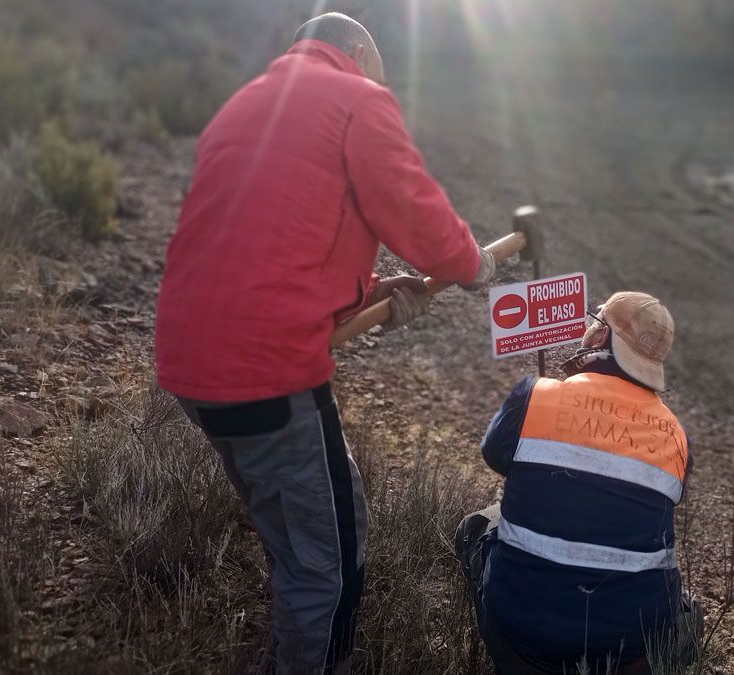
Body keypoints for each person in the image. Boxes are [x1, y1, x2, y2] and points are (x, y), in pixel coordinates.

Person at [153, 12, 494, 675]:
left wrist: (365, 291)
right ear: (358, 53)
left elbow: (270, 242)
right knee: (331, 559)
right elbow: (416, 210)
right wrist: (476, 266)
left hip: (192, 360)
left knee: (295, 531)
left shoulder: (247, 102)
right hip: (266, 373)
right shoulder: (356, 97)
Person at [456, 292, 703, 674]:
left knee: (476, 526)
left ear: (602, 337)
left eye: (595, 321)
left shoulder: (533, 394)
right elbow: (668, 497)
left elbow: (494, 456)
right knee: (691, 611)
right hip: (631, 653)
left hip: (523, 641)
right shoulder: (676, 435)